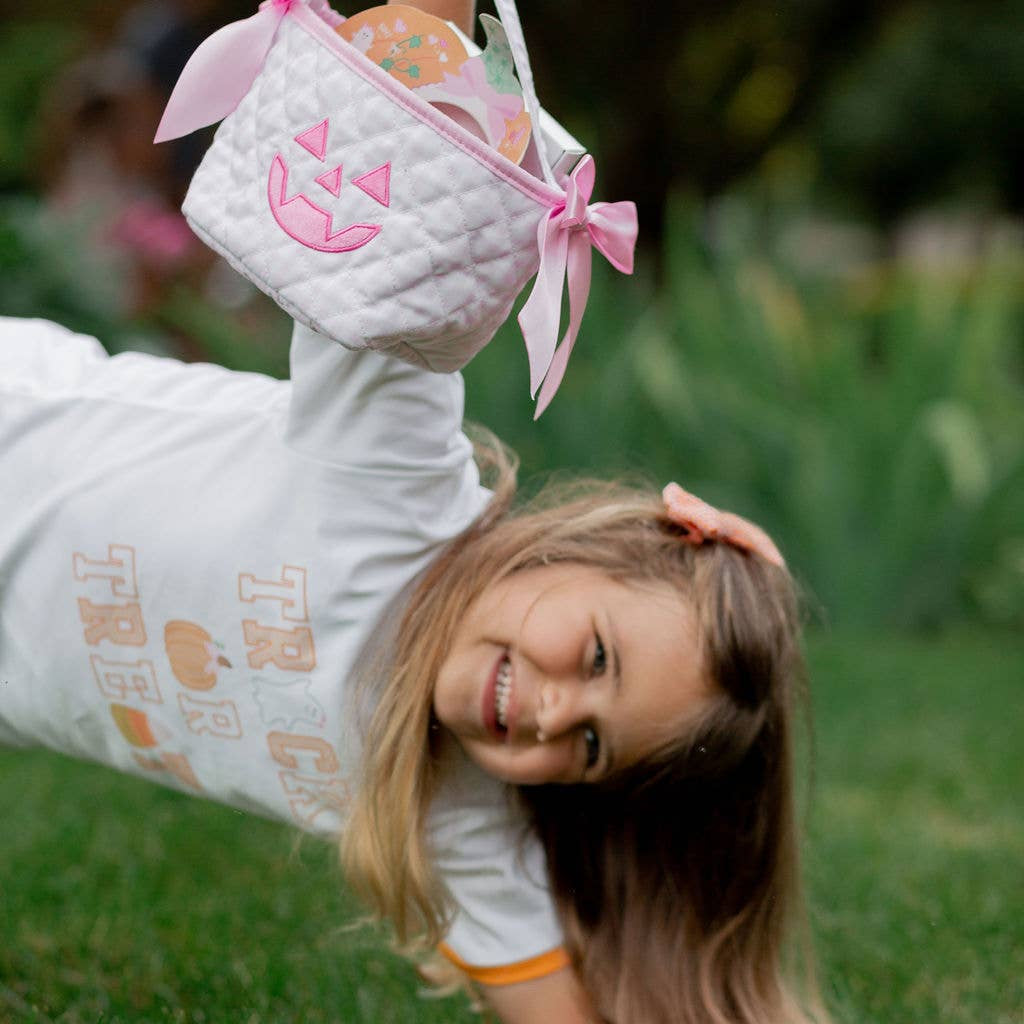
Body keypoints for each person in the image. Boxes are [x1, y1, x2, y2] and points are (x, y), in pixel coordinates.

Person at [0, 1, 828, 1021]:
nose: (550, 712)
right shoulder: (389, 480)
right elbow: (403, 102)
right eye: (598, 657)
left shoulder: (450, 808)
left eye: (589, 748)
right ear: (586, 555)